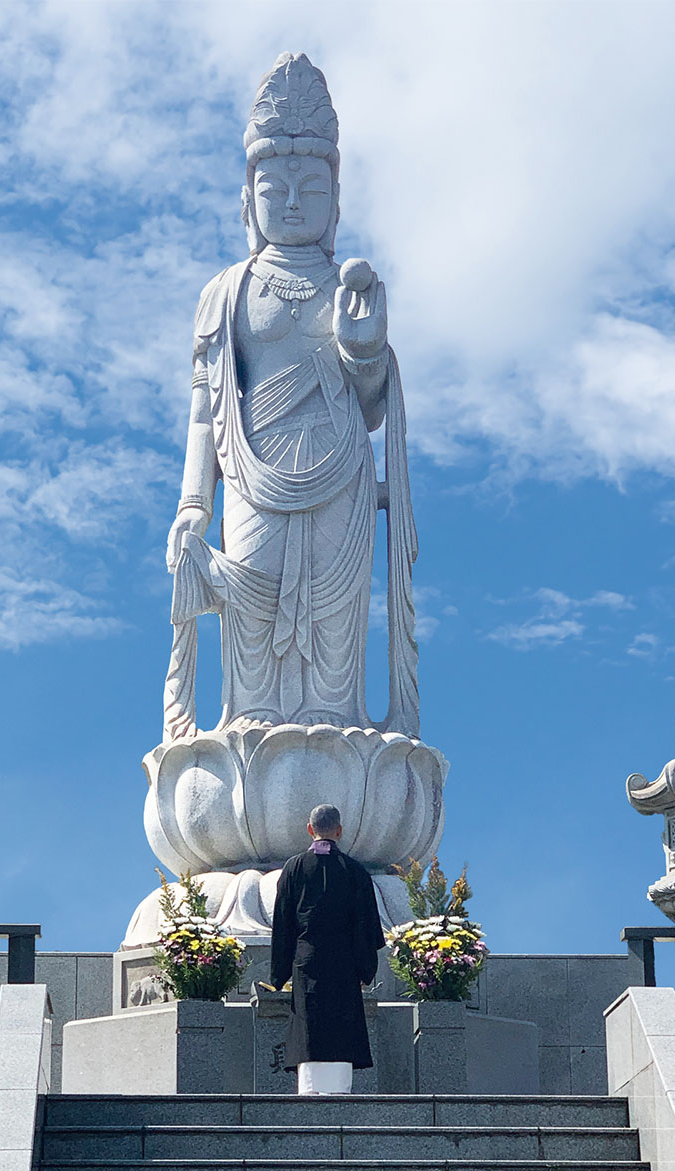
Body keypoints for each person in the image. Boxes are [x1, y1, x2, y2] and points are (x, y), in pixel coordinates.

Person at [163, 51, 418, 742]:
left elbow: (370, 407)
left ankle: (336, 734)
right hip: (253, 475)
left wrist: (365, 348)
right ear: (250, 199)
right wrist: (193, 505)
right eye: (279, 187)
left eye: (313, 185)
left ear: (335, 200)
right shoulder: (225, 294)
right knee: (254, 627)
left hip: (342, 477)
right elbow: (204, 414)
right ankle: (253, 735)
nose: (296, 201)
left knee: (334, 641)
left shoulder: (350, 286)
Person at [270, 802, 385, 1094]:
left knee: (310, 1026)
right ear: (340, 831)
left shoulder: (294, 867)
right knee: (341, 1028)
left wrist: (279, 973)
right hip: (344, 964)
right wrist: (364, 968)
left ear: (309, 830)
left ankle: (308, 1090)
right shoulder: (355, 871)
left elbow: (283, 924)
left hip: (306, 961)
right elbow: (366, 925)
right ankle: (340, 1091)